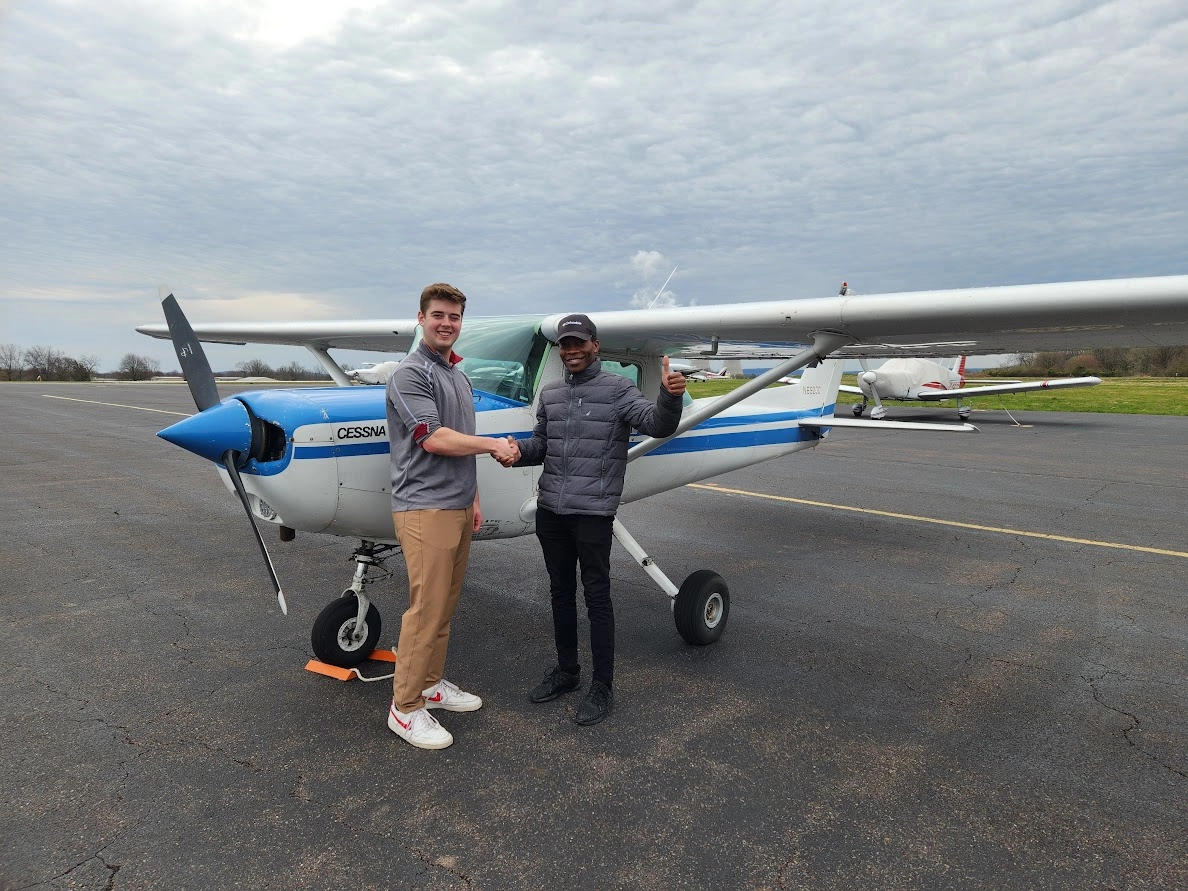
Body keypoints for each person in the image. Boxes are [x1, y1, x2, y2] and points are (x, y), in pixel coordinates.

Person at [510, 313, 687, 725]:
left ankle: (602, 686)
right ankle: (567, 672)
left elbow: (658, 424)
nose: (571, 351)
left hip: (592, 514)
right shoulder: (551, 394)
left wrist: (670, 395)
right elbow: (541, 445)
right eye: (565, 345)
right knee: (559, 593)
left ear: (595, 346)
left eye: (578, 343)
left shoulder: (618, 390)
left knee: (597, 598)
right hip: (551, 510)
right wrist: (518, 450)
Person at [385, 282, 518, 750]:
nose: (447, 323)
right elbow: (434, 439)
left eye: (455, 317)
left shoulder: (458, 376)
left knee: (444, 607)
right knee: (425, 611)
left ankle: (430, 684)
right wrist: (494, 446)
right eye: (438, 315)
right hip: (425, 507)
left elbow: (459, 445)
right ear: (420, 318)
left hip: (458, 505)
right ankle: (404, 707)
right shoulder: (410, 374)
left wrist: (474, 496)